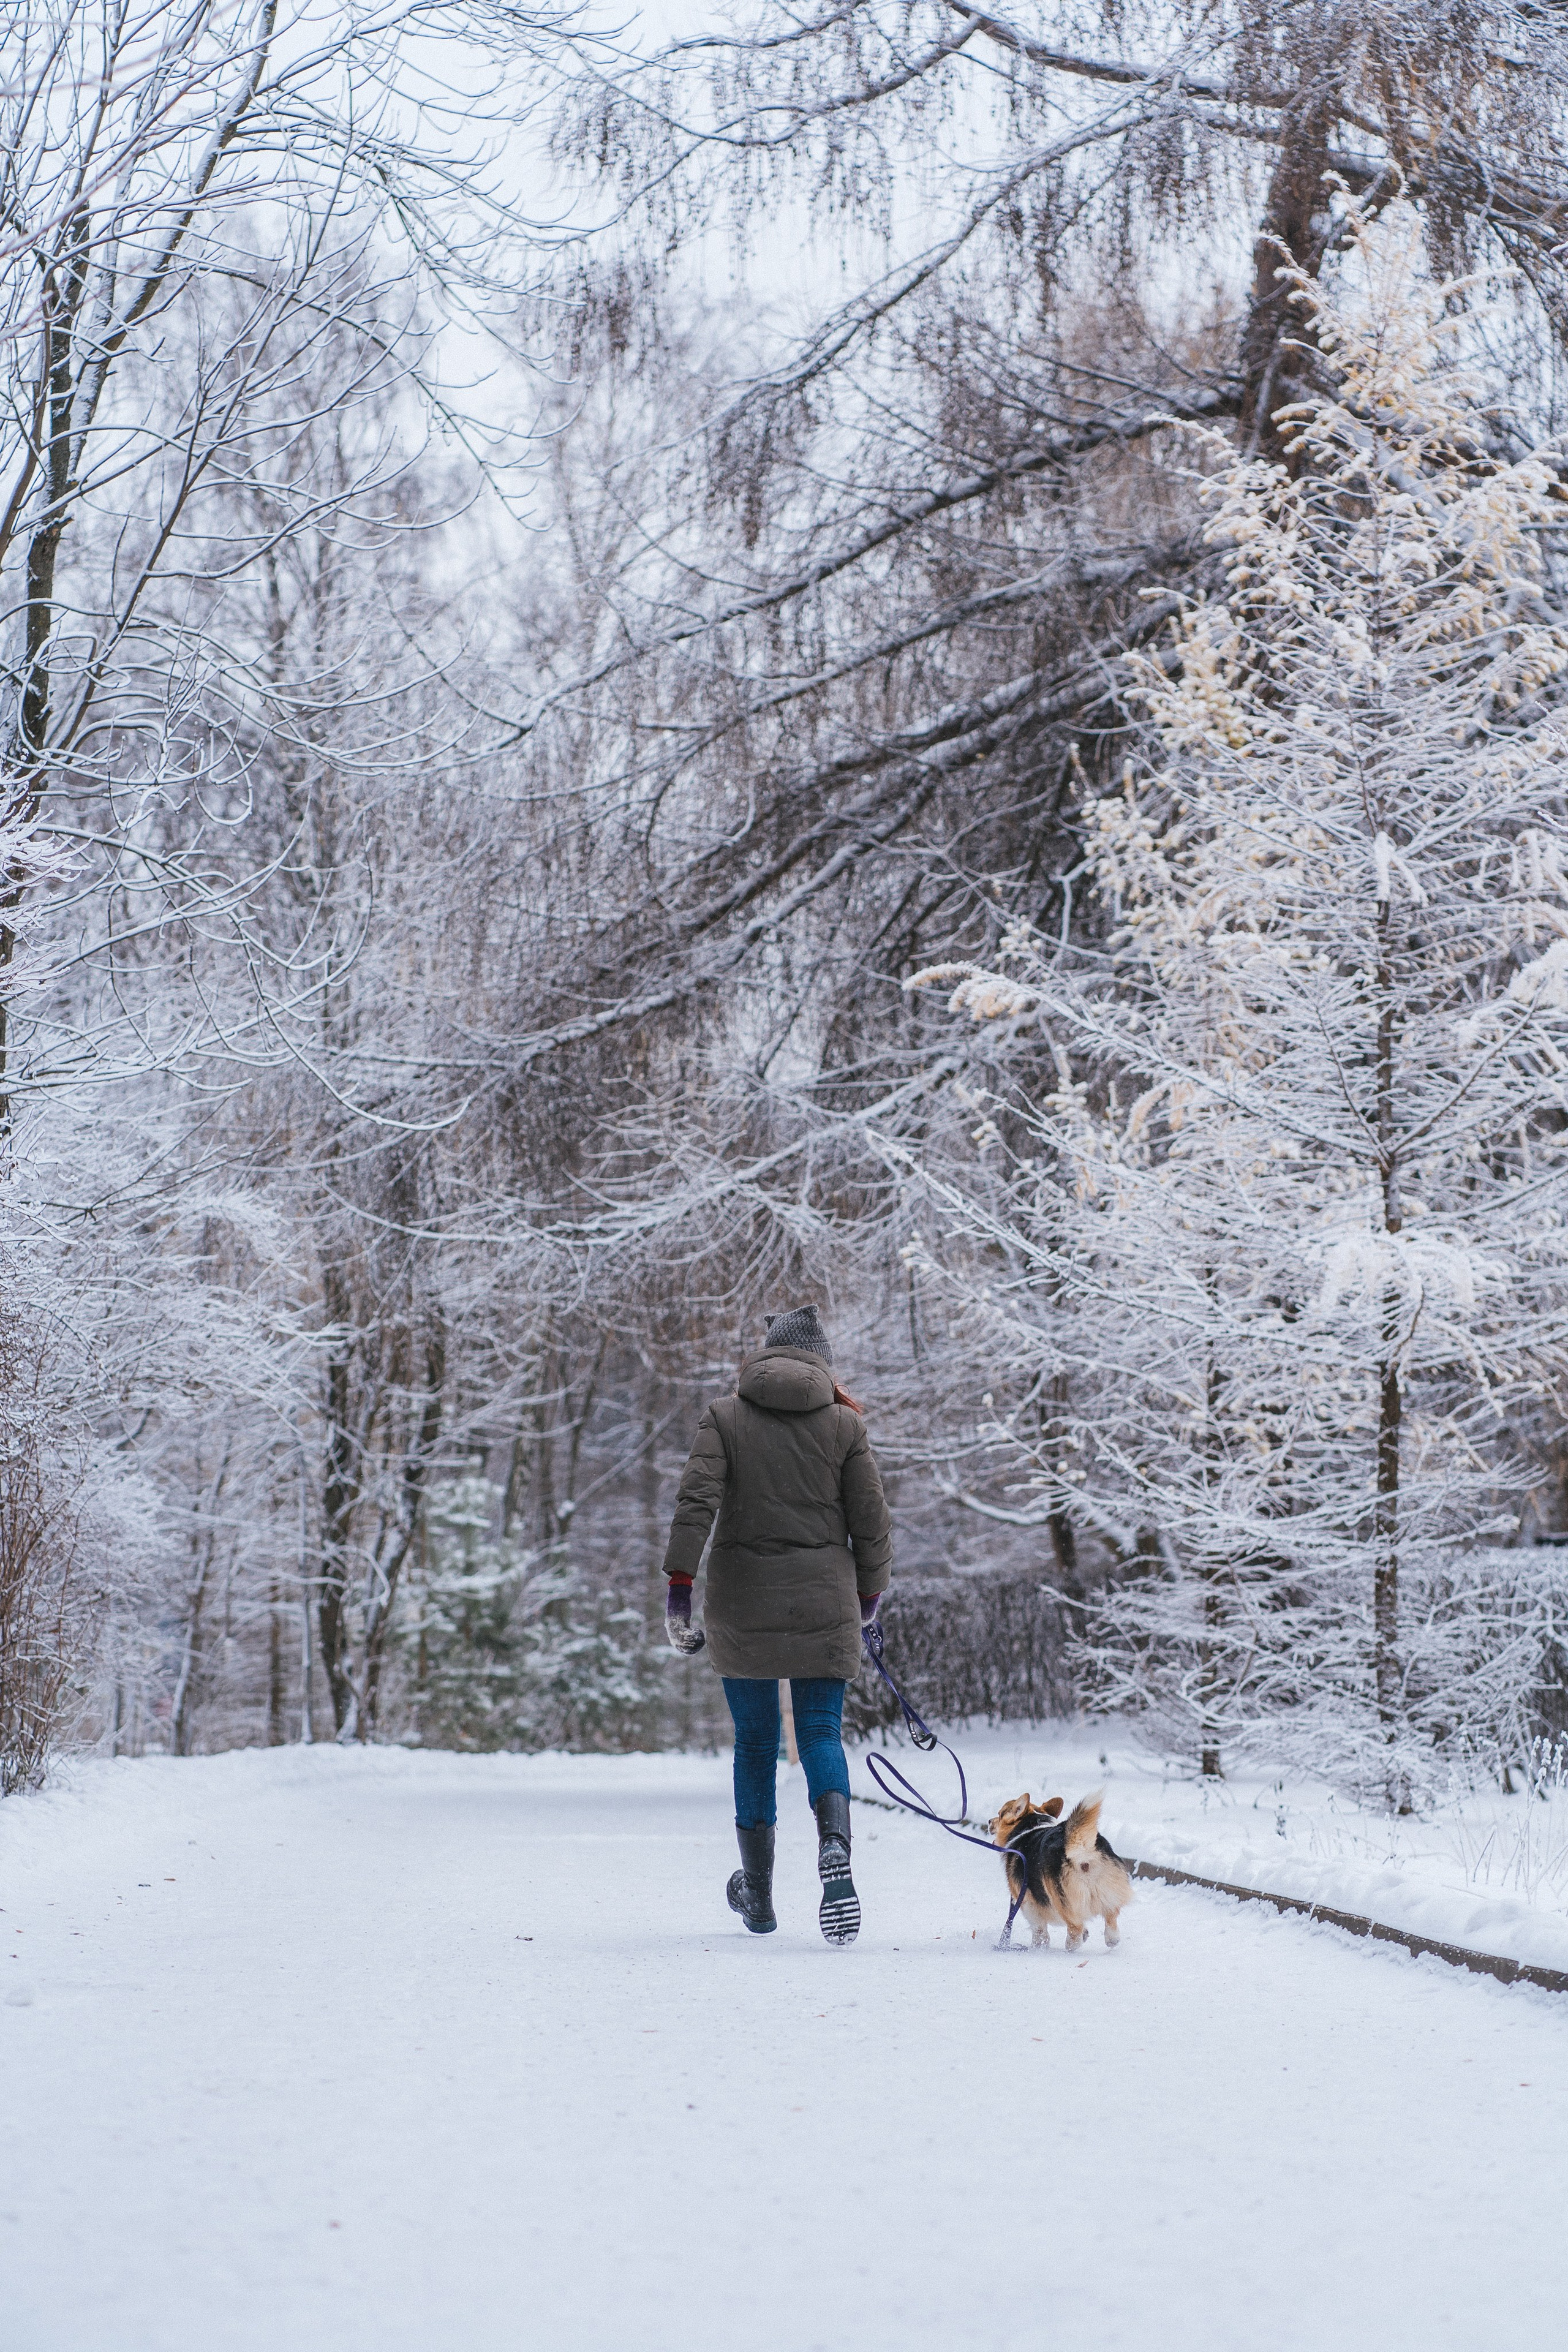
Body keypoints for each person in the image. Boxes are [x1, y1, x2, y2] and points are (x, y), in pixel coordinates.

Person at [662, 1305, 892, 1945]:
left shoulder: (725, 1417)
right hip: (824, 1600)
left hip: (742, 1601)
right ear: (822, 1364)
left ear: (767, 1355)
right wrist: (868, 1596)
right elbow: (872, 1520)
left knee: (756, 1742)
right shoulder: (845, 1425)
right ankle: (835, 1845)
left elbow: (695, 1504)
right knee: (819, 1732)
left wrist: (679, 1590)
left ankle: (759, 1896)